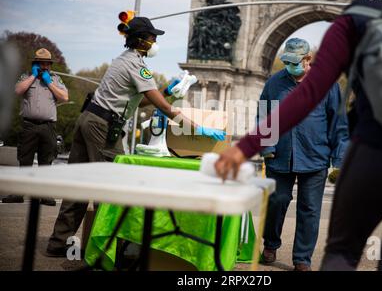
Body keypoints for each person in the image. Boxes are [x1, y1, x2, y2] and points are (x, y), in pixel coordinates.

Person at [215, 0, 382, 271]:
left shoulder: (357, 16)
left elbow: (312, 92)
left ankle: (303, 259)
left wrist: (244, 147)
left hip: (379, 150)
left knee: (342, 251)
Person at [46, 16, 225, 257]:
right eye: (152, 38)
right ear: (141, 41)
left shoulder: (124, 60)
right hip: (103, 127)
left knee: (79, 185)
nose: (155, 42)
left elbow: (139, 104)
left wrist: (167, 92)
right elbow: (163, 108)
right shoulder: (136, 65)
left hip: (89, 119)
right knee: (112, 187)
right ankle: (106, 251)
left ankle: (58, 244)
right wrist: (197, 128)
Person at [258, 38, 349, 271]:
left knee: (309, 209)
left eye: (294, 61)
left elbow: (338, 122)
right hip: (280, 155)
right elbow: (263, 115)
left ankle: (302, 259)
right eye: (286, 61)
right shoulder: (274, 83)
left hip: (315, 155)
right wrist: (267, 147)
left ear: (308, 59)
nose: (290, 65)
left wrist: (339, 158)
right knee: (277, 201)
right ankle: (270, 245)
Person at [2, 48, 69, 206]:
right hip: (29, 126)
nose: (45, 66)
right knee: (24, 160)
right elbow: (18, 90)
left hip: (48, 127)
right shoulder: (26, 76)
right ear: (36, 63)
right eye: (41, 63)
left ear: (50, 65)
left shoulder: (55, 79)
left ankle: (43, 194)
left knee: (46, 161)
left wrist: (49, 82)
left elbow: (65, 97)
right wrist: (33, 76)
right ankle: (18, 193)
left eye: (47, 63)